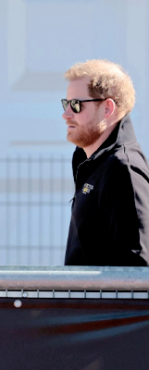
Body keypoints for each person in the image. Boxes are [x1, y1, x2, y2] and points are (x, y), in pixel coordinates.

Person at [62, 59, 149, 266]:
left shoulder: (123, 169)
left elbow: (136, 267)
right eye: (66, 104)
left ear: (107, 109)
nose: (66, 115)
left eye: (76, 105)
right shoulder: (94, 164)